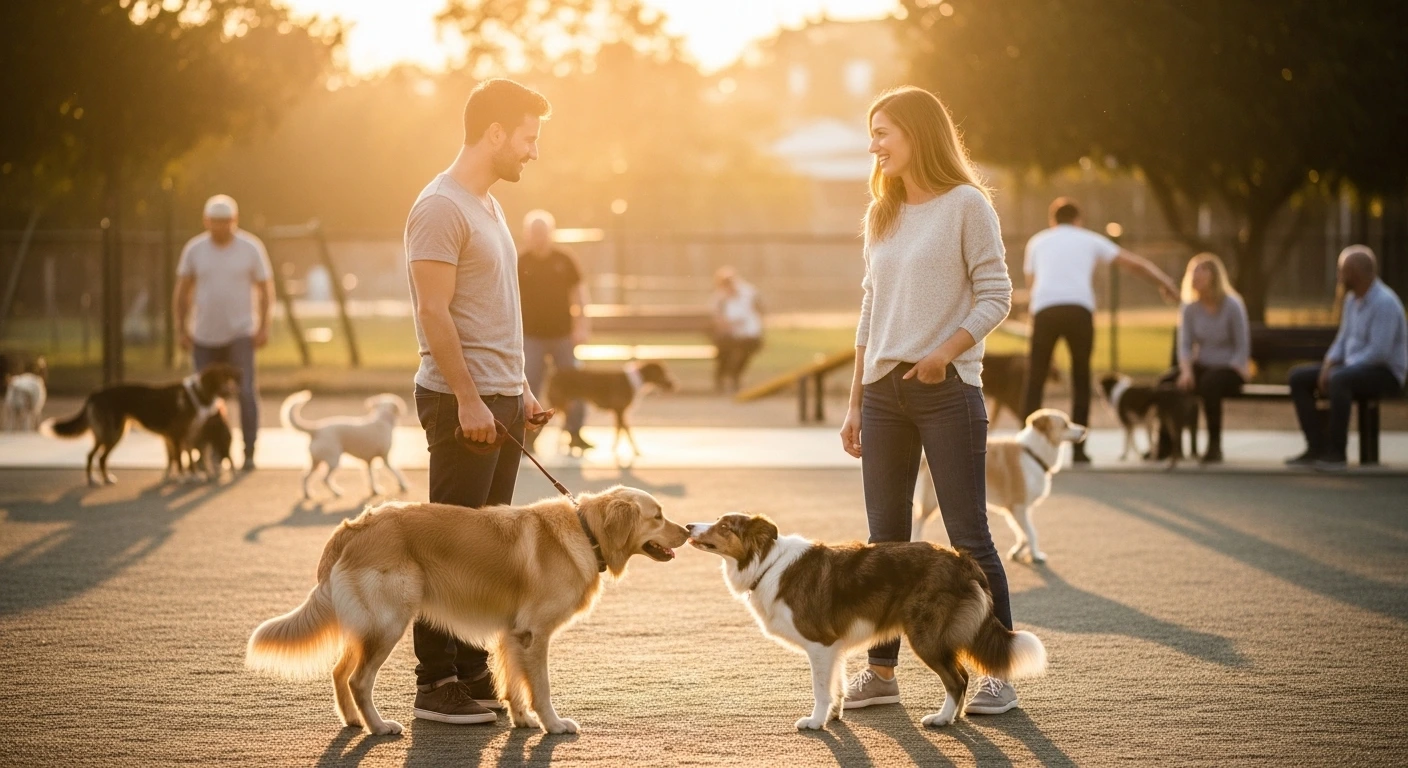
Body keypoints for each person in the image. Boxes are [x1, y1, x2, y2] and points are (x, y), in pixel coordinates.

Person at [838, 86, 1018, 715]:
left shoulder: (968, 204)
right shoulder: (880, 213)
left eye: (883, 131)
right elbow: (870, 309)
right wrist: (856, 400)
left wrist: (945, 351)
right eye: (871, 133)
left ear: (918, 133)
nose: (874, 145)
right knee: (884, 542)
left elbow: (996, 295)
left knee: (968, 534)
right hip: (883, 395)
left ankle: (997, 674)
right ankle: (881, 675)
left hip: (948, 390)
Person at [404, 78, 551, 725]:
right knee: (448, 550)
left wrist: (520, 389)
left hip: (500, 401)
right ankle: (434, 683)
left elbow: (494, 312)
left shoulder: (487, 205)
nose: (533, 152)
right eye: (527, 137)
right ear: (494, 133)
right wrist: (468, 398)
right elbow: (433, 313)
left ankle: (469, 673)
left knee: (485, 552)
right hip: (462, 406)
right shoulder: (440, 207)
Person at [1020, 197, 1179, 462]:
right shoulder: (1089, 239)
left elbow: (1032, 284)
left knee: (1035, 379)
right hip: (1079, 311)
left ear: (1052, 221)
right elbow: (1134, 263)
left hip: (1045, 311)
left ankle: (1027, 447)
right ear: (1078, 221)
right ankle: (1079, 450)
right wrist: (1164, 282)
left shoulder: (1037, 242)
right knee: (1081, 379)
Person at [173, 194, 272, 471]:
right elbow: (182, 292)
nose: (219, 227)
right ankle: (208, 453)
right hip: (203, 335)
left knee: (245, 392)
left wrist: (264, 325)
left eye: (225, 222)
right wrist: (181, 329)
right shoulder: (195, 250)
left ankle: (248, 450)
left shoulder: (250, 248)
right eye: (214, 222)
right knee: (203, 399)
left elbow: (266, 290)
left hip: (240, 333)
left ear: (234, 220)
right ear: (206, 221)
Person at [1286, 245, 1407, 471]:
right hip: (1353, 368)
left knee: (1340, 379)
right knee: (1298, 377)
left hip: (1385, 372)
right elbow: (1343, 339)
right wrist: (1328, 364)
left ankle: (1336, 452)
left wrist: (1339, 370)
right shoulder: (1352, 300)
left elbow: (1379, 352)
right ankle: (1316, 447)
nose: (1338, 275)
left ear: (1355, 273)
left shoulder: (1385, 303)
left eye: (1342, 270)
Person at [1157, 253, 1250, 464]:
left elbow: (1242, 344)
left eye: (1202, 271)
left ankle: (1214, 446)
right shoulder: (1190, 307)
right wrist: (1187, 371)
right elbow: (1185, 345)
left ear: (1215, 276)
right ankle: (1166, 445)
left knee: (1210, 384)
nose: (1195, 276)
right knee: (1166, 383)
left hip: (1231, 368)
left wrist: (1237, 366)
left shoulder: (1232, 304)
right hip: (1203, 366)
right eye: (1193, 272)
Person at [518, 209, 590, 452]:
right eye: (534, 232)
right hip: (531, 337)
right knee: (531, 387)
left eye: (543, 232)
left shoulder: (565, 259)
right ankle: (529, 438)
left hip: (562, 335)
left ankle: (575, 433)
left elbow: (579, 294)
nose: (539, 236)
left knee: (574, 385)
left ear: (551, 233)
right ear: (527, 234)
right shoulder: (520, 261)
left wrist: (582, 325)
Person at [710, 266, 764, 393]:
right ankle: (722, 377)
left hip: (747, 333)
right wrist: (725, 324)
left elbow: (757, 312)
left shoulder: (748, 293)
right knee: (724, 346)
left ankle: (735, 375)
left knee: (749, 346)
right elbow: (717, 317)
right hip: (728, 333)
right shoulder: (719, 297)